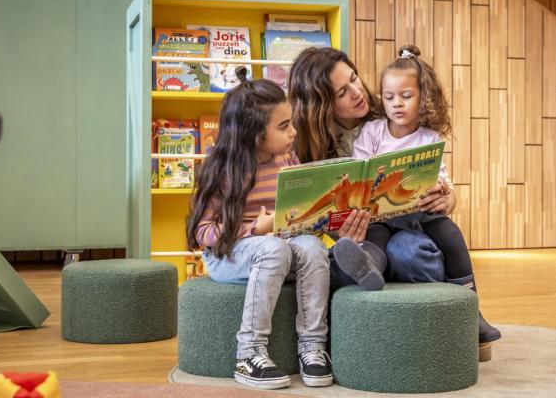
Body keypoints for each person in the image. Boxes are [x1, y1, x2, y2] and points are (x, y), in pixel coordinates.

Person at [186, 67, 333, 390]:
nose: (293, 132)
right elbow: (203, 233)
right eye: (284, 126)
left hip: (278, 248)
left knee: (312, 247)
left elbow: (295, 217)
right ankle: (248, 353)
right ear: (254, 133)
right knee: (273, 247)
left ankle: (313, 347)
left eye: (291, 122)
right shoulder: (221, 169)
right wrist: (255, 230)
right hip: (228, 256)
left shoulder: (286, 159)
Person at [353, 44, 501, 344]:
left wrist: (441, 189)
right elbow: (359, 170)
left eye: (406, 96)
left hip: (417, 213)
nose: (397, 104)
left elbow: (439, 177)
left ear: (423, 99)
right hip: (380, 215)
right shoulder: (372, 131)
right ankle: (366, 267)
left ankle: (470, 306)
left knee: (448, 231)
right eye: (389, 96)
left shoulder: (428, 137)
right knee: (374, 236)